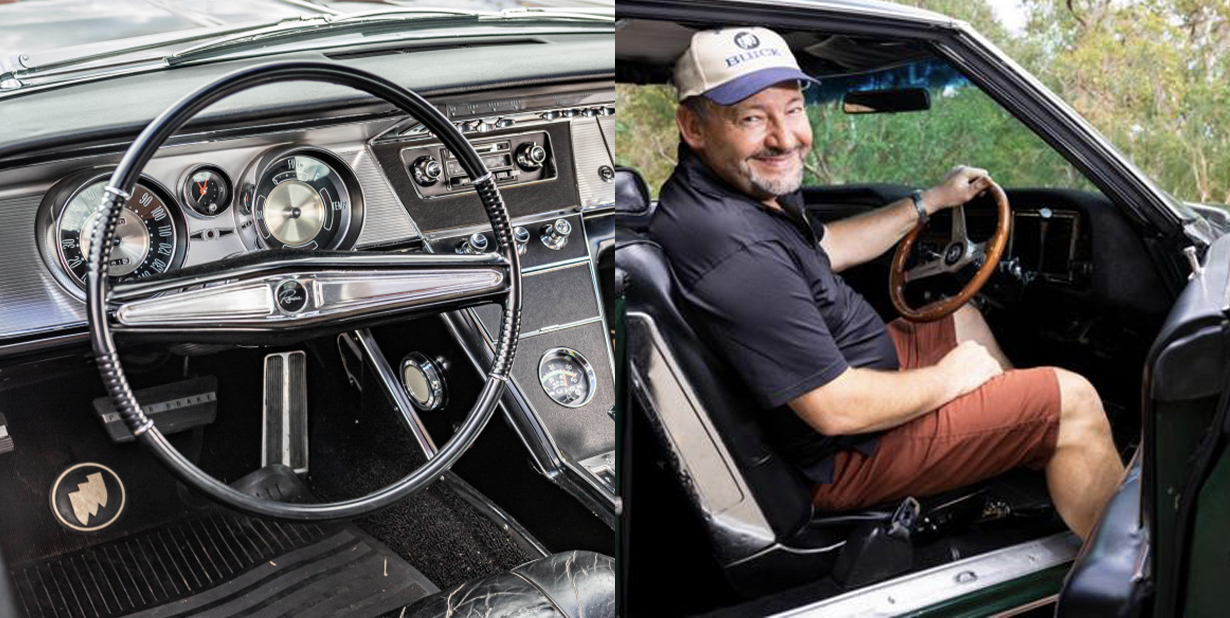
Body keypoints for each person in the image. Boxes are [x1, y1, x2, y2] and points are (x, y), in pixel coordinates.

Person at [648, 27, 1123, 540]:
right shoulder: (734, 245)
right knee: (1072, 397)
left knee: (959, 316)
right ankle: (1132, 573)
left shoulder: (735, 196)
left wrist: (929, 202)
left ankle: (1029, 446)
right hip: (848, 455)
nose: (785, 138)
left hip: (858, 384)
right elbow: (835, 409)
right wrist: (952, 379)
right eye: (751, 117)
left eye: (792, 109)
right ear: (692, 127)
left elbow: (825, 249)